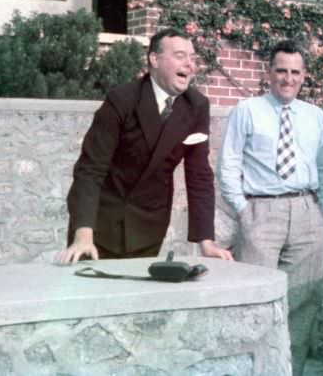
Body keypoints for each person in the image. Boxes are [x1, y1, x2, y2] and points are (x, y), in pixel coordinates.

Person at [57, 28, 232, 263]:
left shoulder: (196, 106)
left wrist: (206, 243)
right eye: (180, 56)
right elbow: (90, 170)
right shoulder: (122, 99)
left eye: (192, 58)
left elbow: (199, 175)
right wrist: (83, 235)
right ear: (154, 59)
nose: (190, 64)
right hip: (99, 226)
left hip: (149, 226)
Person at [216, 39, 323, 375]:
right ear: (268, 72)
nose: (288, 78)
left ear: (304, 75)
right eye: (281, 70)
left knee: (303, 300)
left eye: (295, 72)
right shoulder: (247, 110)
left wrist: (321, 207)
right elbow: (228, 164)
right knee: (254, 299)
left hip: (307, 213)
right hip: (261, 212)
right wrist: (244, 210)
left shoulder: (315, 116)